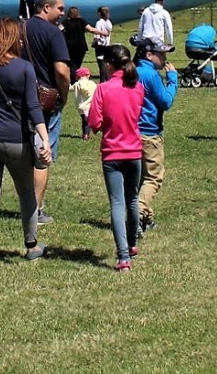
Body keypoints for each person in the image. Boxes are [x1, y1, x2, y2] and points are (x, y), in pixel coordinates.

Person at [0, 17, 52, 269]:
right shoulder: (25, 68)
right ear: (15, 39)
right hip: (15, 139)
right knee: (26, 192)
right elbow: (32, 107)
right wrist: (45, 139)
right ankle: (31, 245)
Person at [86, 45, 145, 272]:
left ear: (109, 65)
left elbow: (94, 122)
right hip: (134, 152)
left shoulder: (103, 89)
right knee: (133, 199)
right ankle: (132, 244)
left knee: (117, 203)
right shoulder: (137, 88)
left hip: (112, 153)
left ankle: (123, 257)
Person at [20, 0, 70, 225]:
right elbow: (61, 71)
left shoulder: (20, 28)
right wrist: (64, 94)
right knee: (43, 156)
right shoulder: (54, 33)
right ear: (46, 7)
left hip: (19, 97)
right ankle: (35, 210)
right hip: (46, 100)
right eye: (60, 8)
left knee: (25, 154)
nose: (62, 13)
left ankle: (29, 201)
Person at [135, 41, 177, 235]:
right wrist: (173, 79)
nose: (165, 57)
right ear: (149, 55)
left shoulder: (133, 72)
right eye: (161, 54)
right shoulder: (151, 75)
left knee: (139, 179)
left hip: (132, 132)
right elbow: (165, 102)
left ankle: (147, 218)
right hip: (150, 133)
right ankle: (137, 214)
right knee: (153, 178)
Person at [87, 6, 113, 80]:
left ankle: (103, 79)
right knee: (106, 63)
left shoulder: (99, 23)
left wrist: (94, 42)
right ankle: (107, 78)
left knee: (101, 64)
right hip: (107, 44)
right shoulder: (109, 22)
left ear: (99, 13)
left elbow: (97, 35)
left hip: (100, 45)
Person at [71, 67, 97, 140]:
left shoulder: (77, 84)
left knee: (84, 121)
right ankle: (86, 134)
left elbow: (69, 88)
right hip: (89, 106)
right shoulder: (92, 84)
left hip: (81, 107)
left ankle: (85, 134)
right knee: (88, 121)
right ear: (88, 75)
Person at [61, 5, 90, 74]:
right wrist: (102, 32)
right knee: (78, 64)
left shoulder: (65, 22)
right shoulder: (81, 21)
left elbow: (58, 30)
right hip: (81, 46)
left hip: (70, 46)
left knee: (72, 64)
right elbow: (90, 29)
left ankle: (73, 79)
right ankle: (76, 75)